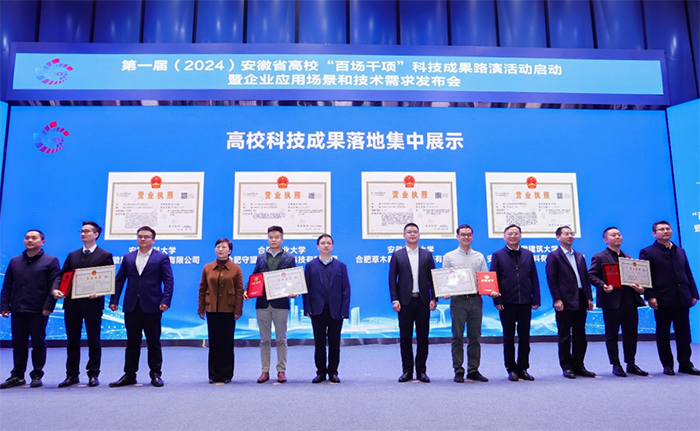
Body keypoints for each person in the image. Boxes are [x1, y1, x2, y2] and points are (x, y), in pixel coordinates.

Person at [109, 226, 174, 387]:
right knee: (132, 342)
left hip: (153, 305)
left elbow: (168, 281)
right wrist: (114, 300)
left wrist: (166, 300)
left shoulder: (161, 257)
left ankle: (155, 373)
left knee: (153, 341)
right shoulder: (128, 257)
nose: (143, 239)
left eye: (146, 237)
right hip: (132, 305)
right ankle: (129, 374)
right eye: (140, 236)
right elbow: (119, 280)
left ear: (153, 240)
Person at [52, 221, 114, 388]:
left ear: (96, 234)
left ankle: (93, 374)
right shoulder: (73, 255)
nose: (83, 234)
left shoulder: (104, 255)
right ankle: (72, 375)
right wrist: (56, 289)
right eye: (81, 231)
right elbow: (62, 275)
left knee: (94, 340)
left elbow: (108, 279)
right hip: (72, 304)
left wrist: (100, 292)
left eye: (87, 231)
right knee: (72, 340)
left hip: (93, 304)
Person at [0, 230, 60, 389]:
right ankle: (17, 376)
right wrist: (4, 305)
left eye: (34, 238)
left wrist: (49, 306)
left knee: (38, 343)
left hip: (39, 310)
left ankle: (37, 375)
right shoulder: (15, 261)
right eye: (27, 238)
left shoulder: (50, 261)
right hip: (18, 308)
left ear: (42, 242)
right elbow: (7, 285)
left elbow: (54, 285)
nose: (30, 240)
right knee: (18, 343)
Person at [639, 220, 699, 376]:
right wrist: (650, 296)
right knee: (663, 333)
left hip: (682, 297)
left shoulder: (680, 251)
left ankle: (685, 364)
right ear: (654, 234)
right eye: (661, 229)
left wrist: (694, 293)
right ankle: (667, 365)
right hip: (662, 299)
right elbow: (645, 276)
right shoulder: (648, 252)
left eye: (668, 228)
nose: (666, 231)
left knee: (684, 334)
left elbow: (688, 273)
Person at [588, 227, 648, 377]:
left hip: (630, 301)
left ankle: (631, 363)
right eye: (613, 235)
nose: (617, 237)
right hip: (611, 301)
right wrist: (603, 285)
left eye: (619, 234)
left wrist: (641, 288)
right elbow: (591, 275)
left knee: (631, 334)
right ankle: (616, 364)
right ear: (605, 240)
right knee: (612, 334)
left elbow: (637, 279)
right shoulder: (599, 257)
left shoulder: (628, 259)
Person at [443, 224, 495, 383]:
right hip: (458, 300)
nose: (466, 237)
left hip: (475, 300)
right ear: (457, 237)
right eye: (463, 234)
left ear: (472, 236)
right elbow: (445, 278)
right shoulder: (449, 257)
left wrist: (491, 290)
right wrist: (445, 291)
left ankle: (473, 370)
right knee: (457, 336)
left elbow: (485, 278)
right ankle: (458, 370)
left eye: (469, 234)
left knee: (475, 337)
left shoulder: (479, 256)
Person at [490, 224, 540, 382]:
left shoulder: (528, 254)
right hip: (506, 303)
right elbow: (493, 278)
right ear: (504, 237)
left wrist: (536, 298)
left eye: (516, 233)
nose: (513, 236)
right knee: (508, 337)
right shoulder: (498, 255)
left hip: (525, 301)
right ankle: (511, 368)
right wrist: (497, 300)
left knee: (525, 337)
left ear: (520, 236)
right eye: (509, 234)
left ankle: (523, 368)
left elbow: (534, 277)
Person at [246, 225, 296, 384]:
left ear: (282, 239)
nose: (273, 240)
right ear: (268, 239)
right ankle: (265, 370)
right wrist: (247, 291)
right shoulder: (261, 258)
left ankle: (281, 370)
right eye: (271, 237)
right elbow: (255, 277)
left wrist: (294, 291)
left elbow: (293, 280)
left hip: (281, 304)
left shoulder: (289, 258)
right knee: (264, 340)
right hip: (263, 303)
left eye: (276, 237)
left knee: (281, 339)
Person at [545, 225, 596, 379]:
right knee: (565, 335)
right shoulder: (554, 256)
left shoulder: (579, 256)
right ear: (558, 237)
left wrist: (589, 298)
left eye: (571, 233)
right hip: (564, 299)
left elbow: (585, 279)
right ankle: (566, 366)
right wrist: (557, 299)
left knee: (580, 334)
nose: (569, 236)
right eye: (566, 234)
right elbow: (552, 279)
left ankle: (579, 365)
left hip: (581, 298)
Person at [389, 223, 436, 383]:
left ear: (419, 235)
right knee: (405, 338)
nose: (412, 234)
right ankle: (407, 371)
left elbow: (433, 278)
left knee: (423, 337)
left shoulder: (427, 255)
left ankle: (421, 371)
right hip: (405, 303)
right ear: (404, 235)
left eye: (415, 232)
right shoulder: (397, 255)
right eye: (409, 232)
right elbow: (392, 280)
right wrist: (395, 299)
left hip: (423, 301)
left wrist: (434, 298)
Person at [303, 234, 351, 384]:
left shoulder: (341, 266)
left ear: (332, 246)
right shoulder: (310, 265)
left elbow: (346, 290)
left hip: (335, 311)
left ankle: (333, 372)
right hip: (317, 310)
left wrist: (344, 310)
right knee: (319, 343)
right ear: (317, 246)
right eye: (322, 243)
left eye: (328, 243)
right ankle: (321, 372)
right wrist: (307, 308)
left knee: (335, 343)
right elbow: (306, 288)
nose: (325, 245)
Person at [198, 238, 244, 384]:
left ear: (230, 251)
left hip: (228, 309)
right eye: (218, 247)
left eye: (224, 247)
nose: (220, 249)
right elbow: (202, 289)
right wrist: (201, 308)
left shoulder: (236, 269)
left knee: (227, 342)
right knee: (214, 342)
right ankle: (213, 374)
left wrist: (238, 310)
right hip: (212, 309)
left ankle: (226, 374)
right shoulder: (207, 268)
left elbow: (239, 291)